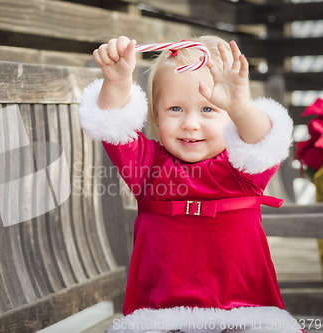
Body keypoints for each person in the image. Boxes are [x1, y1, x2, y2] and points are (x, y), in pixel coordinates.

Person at [78, 36, 303, 333]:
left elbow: (263, 142)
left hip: (243, 314)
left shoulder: (243, 168)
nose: (190, 123)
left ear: (231, 118)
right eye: (175, 109)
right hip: (162, 317)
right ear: (155, 117)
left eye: (208, 109)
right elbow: (113, 125)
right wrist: (118, 82)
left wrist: (240, 106)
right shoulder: (148, 167)